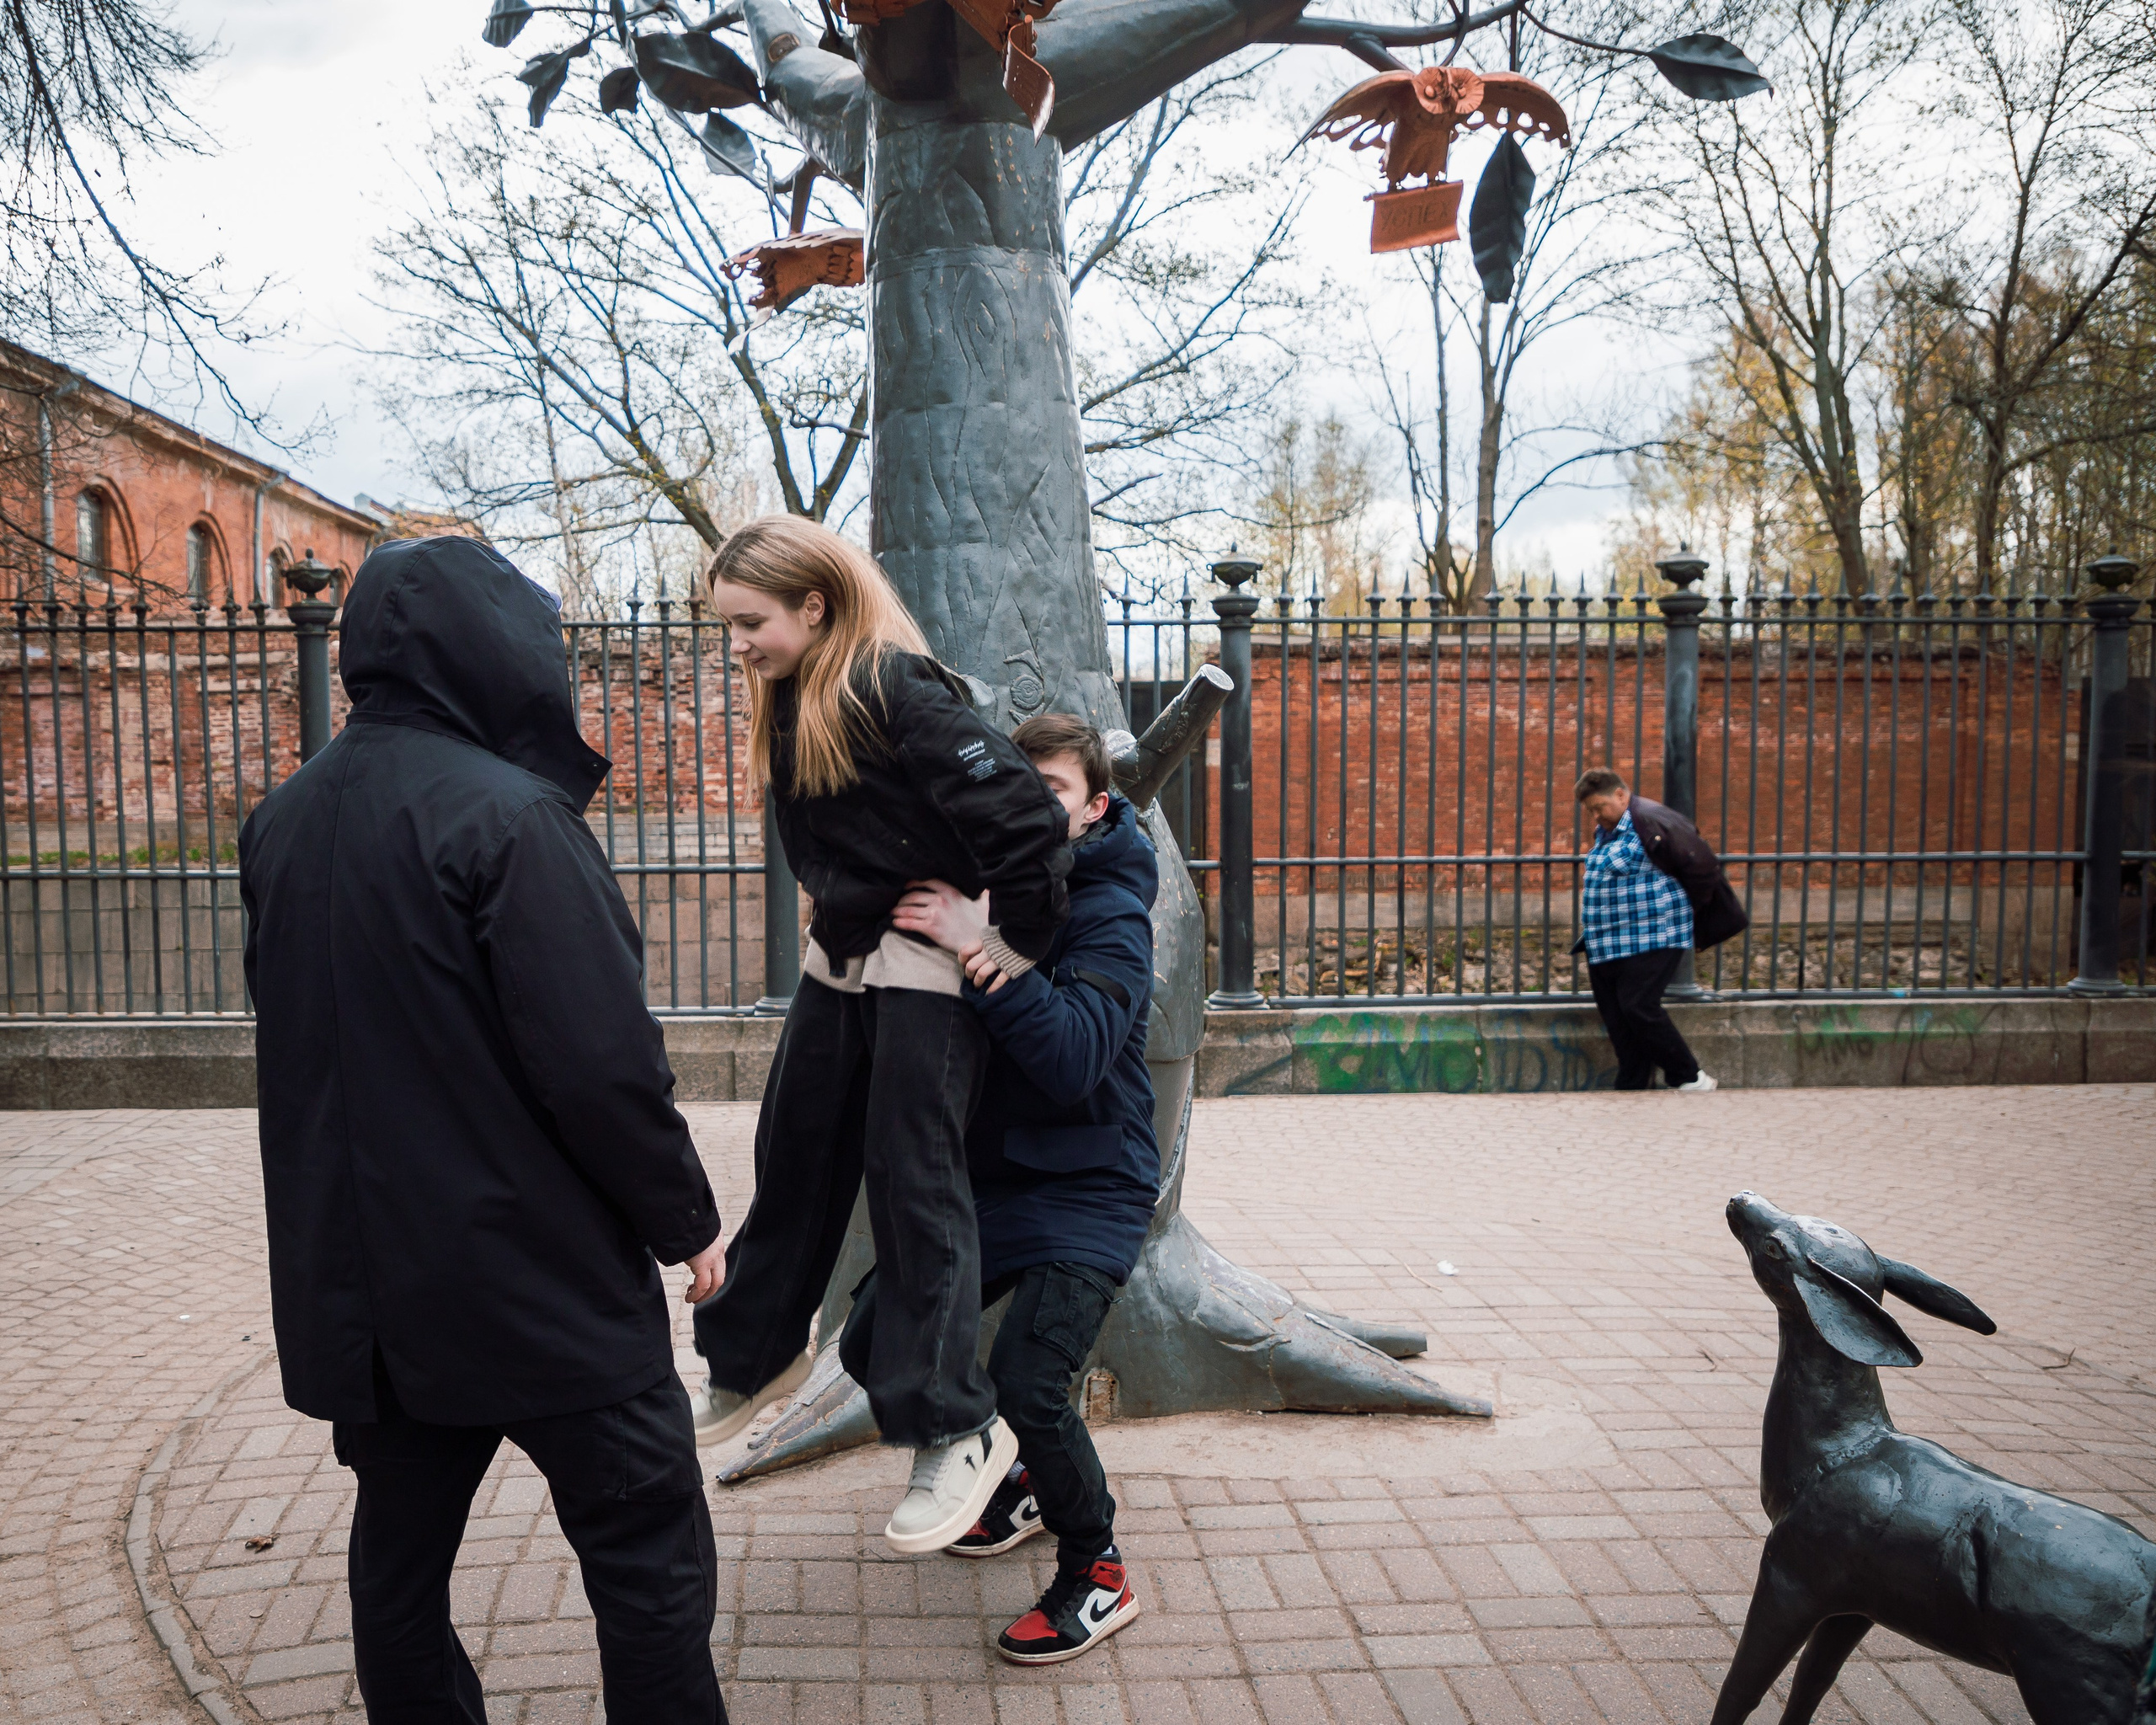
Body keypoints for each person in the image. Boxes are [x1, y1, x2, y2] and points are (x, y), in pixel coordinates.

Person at [239, 537, 728, 1723]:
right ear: (498, 651)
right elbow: (602, 1067)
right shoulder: (513, 820)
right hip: (539, 1284)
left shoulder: (282, 822)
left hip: (367, 1294)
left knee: (397, 1574)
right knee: (647, 1559)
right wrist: (687, 1224)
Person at [690, 516, 1074, 1557]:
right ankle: (757, 1350)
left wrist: (1006, 945)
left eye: (750, 622)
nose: (738, 644)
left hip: (922, 966)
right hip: (846, 951)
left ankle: (956, 1422)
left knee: (914, 1185)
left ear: (814, 606)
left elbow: (1029, 824)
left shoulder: (900, 687)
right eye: (728, 625)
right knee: (795, 1149)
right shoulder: (796, 695)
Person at [862, 712, 1158, 1665]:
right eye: (1015, 791)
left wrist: (977, 946)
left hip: (1092, 1183)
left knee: (1033, 1380)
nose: (1029, 810)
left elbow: (1074, 1056)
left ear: (1093, 807)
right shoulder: (974, 880)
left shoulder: (1110, 905)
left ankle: (1097, 1567)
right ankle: (1020, 1476)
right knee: (876, 1334)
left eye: (1053, 794)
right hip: (994, 1181)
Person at [1572, 766, 1748, 1092]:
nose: (1596, 815)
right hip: (1608, 940)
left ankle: (1690, 1076)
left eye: (1600, 806)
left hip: (1652, 935)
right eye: (1591, 810)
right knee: (1617, 1016)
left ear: (1621, 795)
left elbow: (1703, 865)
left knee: (1638, 1006)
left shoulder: (1655, 821)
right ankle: (1633, 1082)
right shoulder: (1609, 829)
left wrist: (1681, 911)